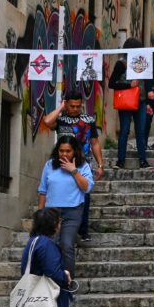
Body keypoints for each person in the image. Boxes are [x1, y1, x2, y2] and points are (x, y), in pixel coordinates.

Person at [43, 90, 104, 242]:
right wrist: (61, 108)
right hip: (62, 163)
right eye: (72, 106)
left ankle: (82, 231)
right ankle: (60, 229)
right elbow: (47, 122)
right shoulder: (61, 119)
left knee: (85, 196)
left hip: (83, 163)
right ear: (66, 104)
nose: (75, 109)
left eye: (78, 106)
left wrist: (100, 164)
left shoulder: (88, 120)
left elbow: (94, 143)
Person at [37, 136, 94, 274]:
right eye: (61, 151)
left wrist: (73, 170)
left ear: (74, 151)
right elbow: (43, 190)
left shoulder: (83, 166)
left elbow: (86, 188)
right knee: (51, 244)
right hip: (52, 212)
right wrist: (40, 214)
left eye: (68, 151)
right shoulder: (49, 165)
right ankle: (51, 279)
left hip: (73, 211)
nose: (64, 154)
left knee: (67, 244)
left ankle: (67, 284)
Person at [109, 38, 150, 169]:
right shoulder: (121, 64)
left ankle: (143, 160)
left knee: (141, 131)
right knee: (125, 130)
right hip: (127, 102)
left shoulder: (143, 63)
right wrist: (128, 85)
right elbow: (111, 84)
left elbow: (147, 83)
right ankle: (120, 160)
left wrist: (149, 101)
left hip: (142, 101)